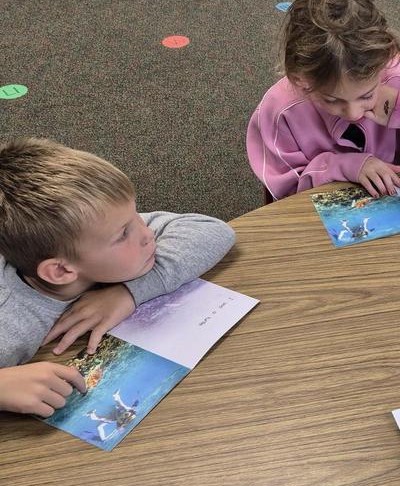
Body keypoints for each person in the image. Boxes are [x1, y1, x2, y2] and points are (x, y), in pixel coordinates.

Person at [0, 138, 236, 415]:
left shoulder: (89, 231)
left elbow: (211, 230)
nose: (146, 233)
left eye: (137, 215)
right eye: (123, 234)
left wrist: (128, 292)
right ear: (61, 271)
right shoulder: (9, 323)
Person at [247, 0, 400, 201]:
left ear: (385, 62)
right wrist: (342, 167)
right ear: (300, 78)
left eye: (366, 95)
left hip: (395, 210)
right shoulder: (280, 109)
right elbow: (286, 195)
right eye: (331, 99)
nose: (353, 113)